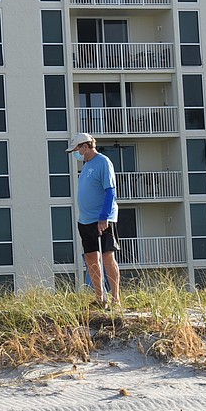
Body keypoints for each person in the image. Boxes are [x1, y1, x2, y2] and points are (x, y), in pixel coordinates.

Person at [66, 132, 120, 308]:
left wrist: (104, 217)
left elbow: (110, 191)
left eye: (77, 149)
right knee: (90, 258)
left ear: (86, 146)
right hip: (86, 220)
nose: (76, 153)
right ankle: (100, 298)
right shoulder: (87, 165)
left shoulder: (103, 162)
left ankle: (115, 299)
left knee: (107, 257)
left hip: (102, 219)